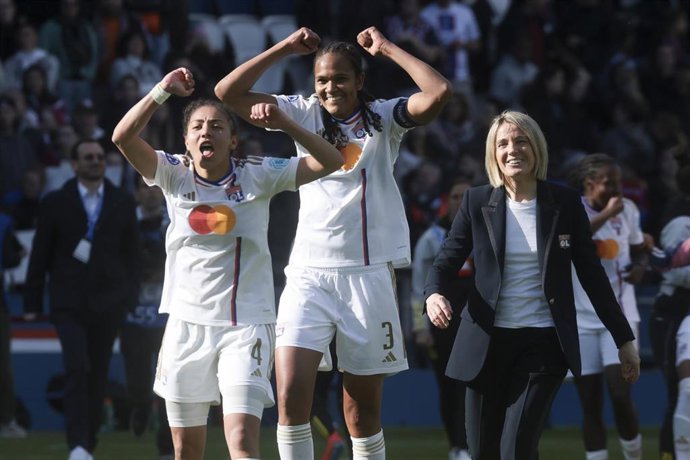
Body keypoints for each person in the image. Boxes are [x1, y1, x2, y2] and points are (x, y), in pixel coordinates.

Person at [215, 25, 452, 460]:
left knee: (360, 412)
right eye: (322, 79)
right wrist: (285, 48)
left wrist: (387, 49)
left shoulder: (385, 116)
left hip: (368, 274)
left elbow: (437, 92)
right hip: (308, 274)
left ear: (360, 81)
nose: (330, 87)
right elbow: (228, 92)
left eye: (340, 78)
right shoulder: (300, 112)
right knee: (289, 397)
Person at [111, 66, 344, 460]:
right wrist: (162, 91)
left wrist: (286, 124)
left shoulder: (259, 174)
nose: (207, 132)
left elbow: (330, 160)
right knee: (186, 451)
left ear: (233, 140)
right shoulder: (172, 173)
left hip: (246, 327)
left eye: (217, 126)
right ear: (186, 140)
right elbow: (122, 137)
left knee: (241, 441)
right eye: (198, 126)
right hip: (186, 326)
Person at [424, 110, 640, 460]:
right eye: (503, 143)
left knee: (517, 450)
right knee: (482, 453)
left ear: (536, 148)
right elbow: (446, 260)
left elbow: (592, 275)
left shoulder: (565, 203)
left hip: (543, 343)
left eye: (521, 140)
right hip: (485, 344)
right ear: (493, 153)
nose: (513, 149)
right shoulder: (477, 201)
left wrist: (624, 338)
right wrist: (433, 294)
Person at [23, 138, 140, 460]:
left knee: (98, 372)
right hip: (69, 303)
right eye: (88, 157)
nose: (95, 161)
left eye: (100, 157)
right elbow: (41, 255)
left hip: (109, 303)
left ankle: (87, 443)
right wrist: (33, 303)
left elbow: (133, 255)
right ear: (74, 164)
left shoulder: (121, 201)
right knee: (77, 368)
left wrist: (130, 298)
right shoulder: (55, 202)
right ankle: (77, 443)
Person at [568, 153, 648, 460]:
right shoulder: (572, 210)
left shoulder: (628, 211)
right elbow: (575, 238)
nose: (618, 190)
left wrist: (640, 266)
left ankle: (633, 456)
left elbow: (639, 249)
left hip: (621, 317)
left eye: (620, 183)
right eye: (610, 183)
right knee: (589, 403)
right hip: (581, 319)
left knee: (620, 394)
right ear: (590, 184)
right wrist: (607, 214)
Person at [411, 177, 473, 460]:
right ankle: (457, 446)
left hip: (480, 322)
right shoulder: (431, 239)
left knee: (479, 385)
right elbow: (416, 288)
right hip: (443, 324)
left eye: (467, 196)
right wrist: (420, 327)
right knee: (449, 387)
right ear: (447, 203)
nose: (461, 202)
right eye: (456, 196)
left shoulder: (488, 235)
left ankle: (476, 443)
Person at [119, 175, 173, 459]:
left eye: (155, 188)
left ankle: (166, 445)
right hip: (133, 316)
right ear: (136, 194)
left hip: (167, 316)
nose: (150, 193)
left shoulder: (175, 221)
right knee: (138, 383)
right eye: (143, 188)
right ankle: (139, 407)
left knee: (169, 383)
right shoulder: (125, 224)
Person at [650, 155, 690, 460]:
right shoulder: (680, 220)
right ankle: (669, 453)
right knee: (680, 392)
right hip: (673, 314)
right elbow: (672, 269)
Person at [0, 211, 26, 438]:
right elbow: (11, 257)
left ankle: (7, 420)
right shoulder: (4, 222)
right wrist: (20, 254)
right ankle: (6, 421)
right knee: (3, 366)